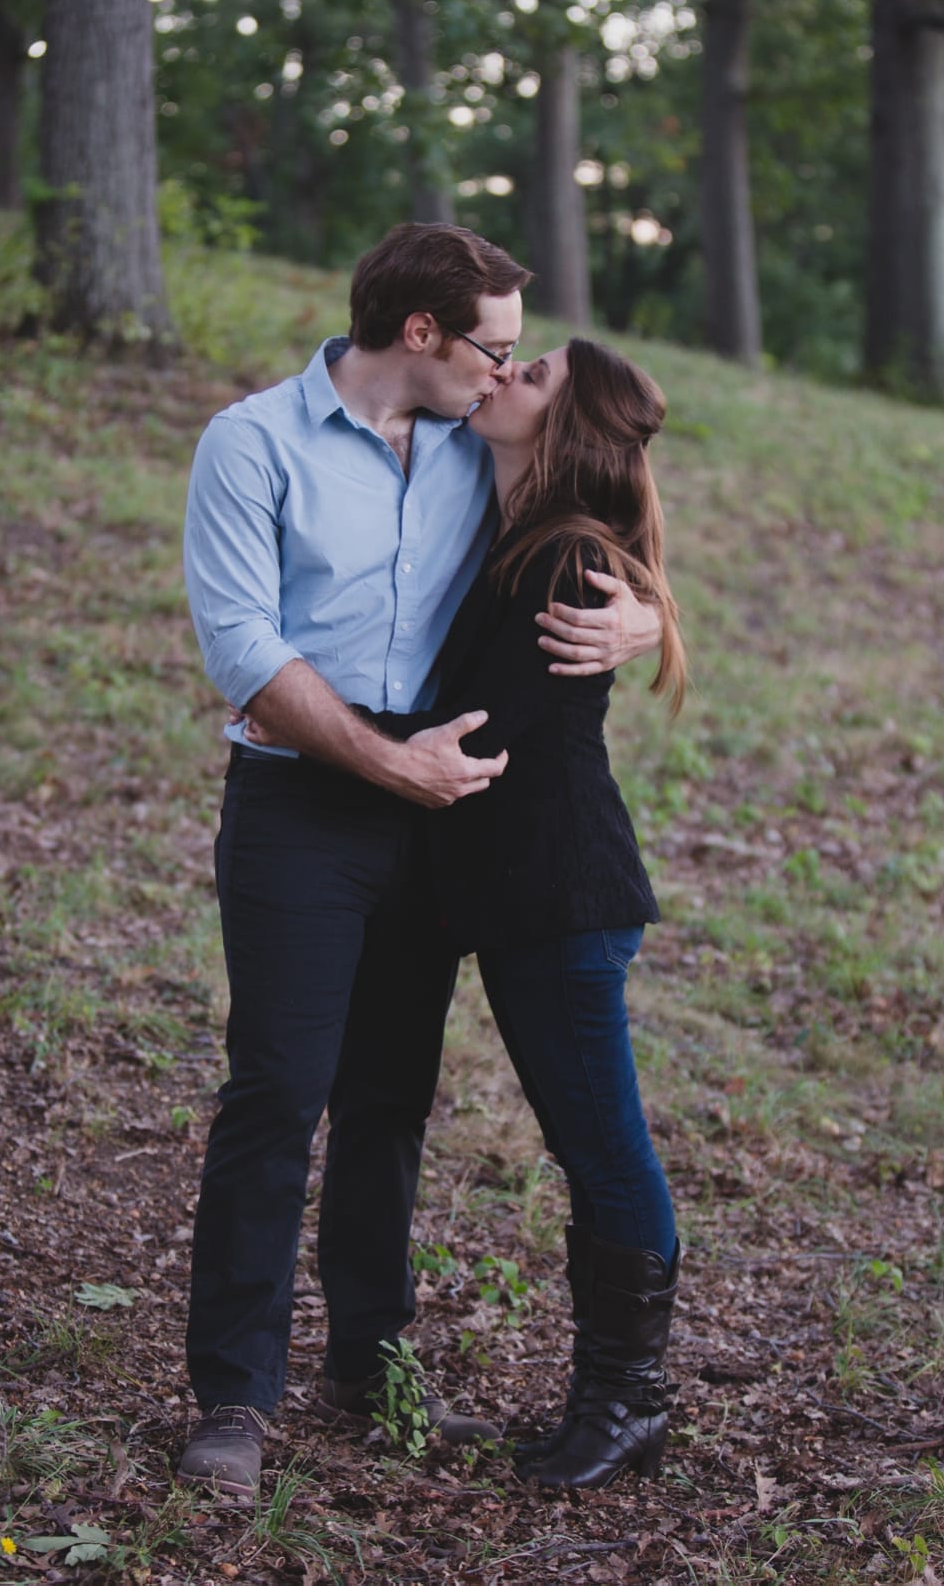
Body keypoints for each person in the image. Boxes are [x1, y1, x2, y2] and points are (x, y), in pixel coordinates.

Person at [178, 224, 664, 1497]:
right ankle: (233, 1391)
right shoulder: (253, 443)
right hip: (305, 797)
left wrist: (650, 614)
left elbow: (604, 498)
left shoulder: (473, 441)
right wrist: (381, 764)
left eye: (517, 360)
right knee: (276, 1090)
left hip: (437, 815)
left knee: (388, 1100)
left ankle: (366, 1361)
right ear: (421, 335)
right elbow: (239, 642)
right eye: (494, 348)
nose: (505, 374)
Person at [368, 336, 686, 1488]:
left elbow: (479, 734)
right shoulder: (513, 521)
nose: (504, 375)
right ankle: (608, 1397)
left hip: (558, 900)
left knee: (604, 1153)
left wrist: (314, 727)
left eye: (534, 374)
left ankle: (627, 1401)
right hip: (521, 900)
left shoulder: (564, 560)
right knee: (586, 1148)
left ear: (564, 432)